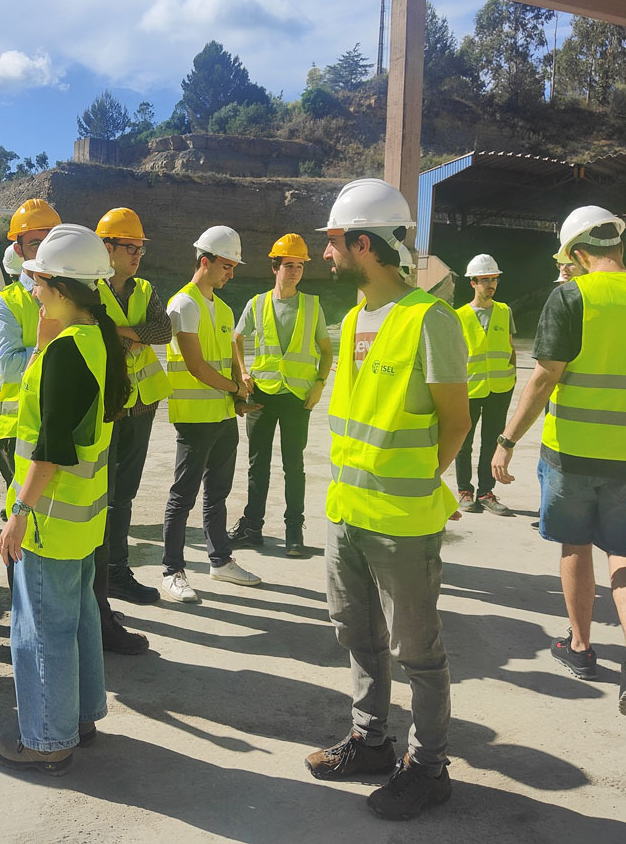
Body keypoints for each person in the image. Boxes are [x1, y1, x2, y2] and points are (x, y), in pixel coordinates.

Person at [304, 179, 471, 822]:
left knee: (417, 652)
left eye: (333, 242)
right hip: (347, 514)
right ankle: (371, 741)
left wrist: (422, 480)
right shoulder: (351, 320)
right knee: (357, 635)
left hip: (401, 521)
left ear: (364, 245)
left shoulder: (430, 319)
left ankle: (429, 769)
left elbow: (455, 420)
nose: (327, 253)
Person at [491, 205, 626, 719]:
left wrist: (507, 439)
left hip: (574, 451)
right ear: (618, 247)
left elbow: (543, 377)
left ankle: (580, 648)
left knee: (576, 546)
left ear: (578, 254)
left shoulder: (572, 295)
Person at [0, 224, 127, 775]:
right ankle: (81, 718)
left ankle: (48, 740)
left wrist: (18, 515)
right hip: (83, 517)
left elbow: (49, 449)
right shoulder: (99, 338)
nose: (33, 290)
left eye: (39, 281)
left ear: (59, 285)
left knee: (40, 628)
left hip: (48, 518)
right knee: (77, 619)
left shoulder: (64, 353)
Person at [160, 226, 262, 603]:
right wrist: (236, 388)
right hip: (194, 419)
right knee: (182, 496)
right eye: (227, 266)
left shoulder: (222, 307)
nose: (231, 273)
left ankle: (219, 560)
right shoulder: (183, 305)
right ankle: (172, 570)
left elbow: (227, 361)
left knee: (217, 492)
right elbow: (197, 366)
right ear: (206, 261)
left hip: (222, 416)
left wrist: (238, 397)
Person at [93, 208, 171, 650]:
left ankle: (118, 573)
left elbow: (163, 329)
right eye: (130, 248)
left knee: (124, 495)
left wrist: (125, 332)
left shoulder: (144, 288)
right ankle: (101, 576)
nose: (137, 256)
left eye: (140, 249)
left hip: (142, 405)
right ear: (108, 249)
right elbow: (94, 332)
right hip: (109, 407)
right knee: (101, 496)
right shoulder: (89, 287)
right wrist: (125, 333)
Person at [229, 233, 332, 557]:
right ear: (275, 267)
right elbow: (236, 338)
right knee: (257, 465)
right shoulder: (257, 304)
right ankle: (253, 528)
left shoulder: (313, 304)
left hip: (297, 397)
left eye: (300, 266)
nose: (295, 271)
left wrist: (319, 384)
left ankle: (293, 534)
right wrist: (243, 372)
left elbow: (326, 351)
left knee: (294, 466)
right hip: (262, 393)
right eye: (289, 265)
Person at [0, 199, 61, 511]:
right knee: (25, 523)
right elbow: (11, 367)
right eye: (34, 243)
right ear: (19, 251)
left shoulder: (77, 294)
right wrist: (51, 346)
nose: (43, 251)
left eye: (50, 242)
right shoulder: (4, 304)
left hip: (58, 423)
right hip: (18, 431)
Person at [453, 254, 517, 517]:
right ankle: (464, 490)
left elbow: (511, 349)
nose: (490, 285)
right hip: (469, 388)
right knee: (463, 442)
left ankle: (485, 492)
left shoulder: (505, 311)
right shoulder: (459, 316)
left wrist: (511, 375)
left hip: (500, 388)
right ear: (473, 283)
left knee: (492, 441)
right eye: (485, 280)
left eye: (494, 279)